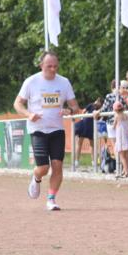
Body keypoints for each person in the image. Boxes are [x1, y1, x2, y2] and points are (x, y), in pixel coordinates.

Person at [14, 50, 80, 211]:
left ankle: (51, 199)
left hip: (57, 129)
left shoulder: (64, 82)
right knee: (43, 168)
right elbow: (17, 104)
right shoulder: (31, 82)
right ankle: (36, 177)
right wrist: (29, 114)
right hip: (38, 130)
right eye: (49, 66)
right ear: (41, 65)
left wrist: (69, 111)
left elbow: (75, 107)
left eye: (55, 66)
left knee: (57, 165)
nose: (53, 69)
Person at [74, 97, 103, 164]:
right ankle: (92, 161)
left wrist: (83, 117)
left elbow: (83, 111)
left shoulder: (92, 105)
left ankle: (77, 161)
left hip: (86, 124)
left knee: (81, 144)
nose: (96, 102)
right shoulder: (98, 108)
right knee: (89, 145)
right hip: (90, 126)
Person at [112, 100, 128, 177]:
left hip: (121, 136)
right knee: (127, 155)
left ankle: (126, 171)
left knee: (122, 156)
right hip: (127, 135)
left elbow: (114, 126)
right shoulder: (126, 115)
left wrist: (113, 127)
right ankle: (125, 170)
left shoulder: (117, 116)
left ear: (115, 109)